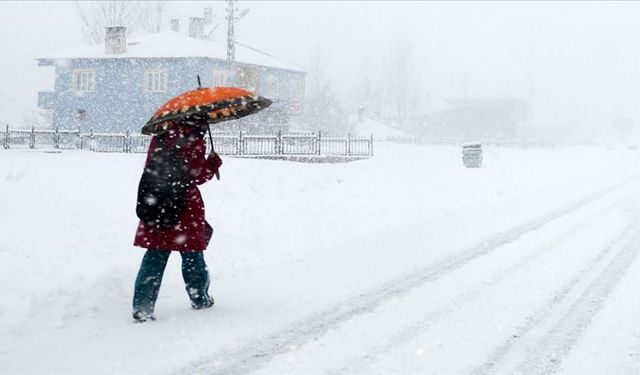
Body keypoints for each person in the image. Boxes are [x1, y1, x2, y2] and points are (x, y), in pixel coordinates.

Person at [132, 121, 222, 322]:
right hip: (184, 205)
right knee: (192, 255)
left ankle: (142, 306)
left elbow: (151, 166)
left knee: (155, 255)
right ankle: (200, 298)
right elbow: (196, 175)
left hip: (158, 200)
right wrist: (213, 164)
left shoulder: (161, 135)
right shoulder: (193, 138)